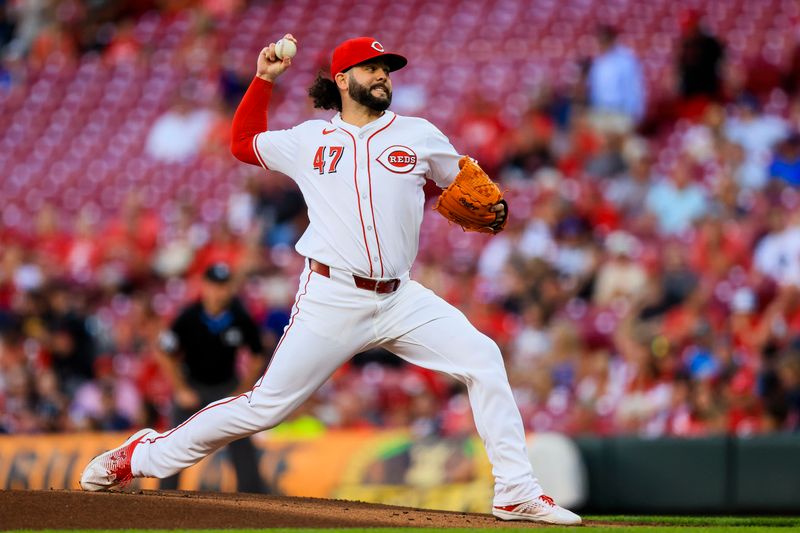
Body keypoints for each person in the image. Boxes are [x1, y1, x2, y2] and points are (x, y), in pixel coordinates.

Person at [80, 34, 581, 525]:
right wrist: (262, 81)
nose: (382, 75)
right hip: (332, 296)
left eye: (387, 69)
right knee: (263, 409)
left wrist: (490, 204)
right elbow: (240, 143)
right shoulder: (310, 140)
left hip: (400, 297)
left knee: (484, 359)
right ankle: (140, 456)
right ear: (343, 79)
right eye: (371, 68)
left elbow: (468, 185)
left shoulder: (419, 134)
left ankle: (515, 492)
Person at [156, 262, 267, 493]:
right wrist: (180, 388)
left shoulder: (239, 317)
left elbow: (258, 355)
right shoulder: (189, 316)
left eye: (224, 286)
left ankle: (253, 498)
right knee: (175, 442)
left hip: (226, 387)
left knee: (242, 441)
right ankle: (164, 497)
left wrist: (243, 389)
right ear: (205, 286)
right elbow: (165, 352)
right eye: (215, 286)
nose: (219, 292)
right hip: (194, 386)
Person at [587, 25, 645, 133]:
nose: (601, 44)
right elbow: (594, 90)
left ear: (612, 40)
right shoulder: (598, 63)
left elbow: (633, 88)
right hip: (602, 112)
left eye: (604, 40)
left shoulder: (626, 59)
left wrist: (636, 114)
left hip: (621, 112)